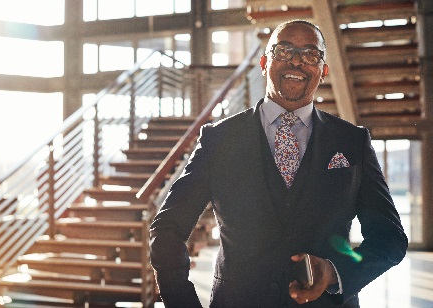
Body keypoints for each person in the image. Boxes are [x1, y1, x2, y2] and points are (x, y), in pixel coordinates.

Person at [149, 19, 408, 307]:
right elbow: (167, 228)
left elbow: (390, 238)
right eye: (283, 51)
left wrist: (335, 273)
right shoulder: (218, 139)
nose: (296, 62)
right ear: (264, 62)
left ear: (323, 71)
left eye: (310, 54)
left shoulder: (352, 142)